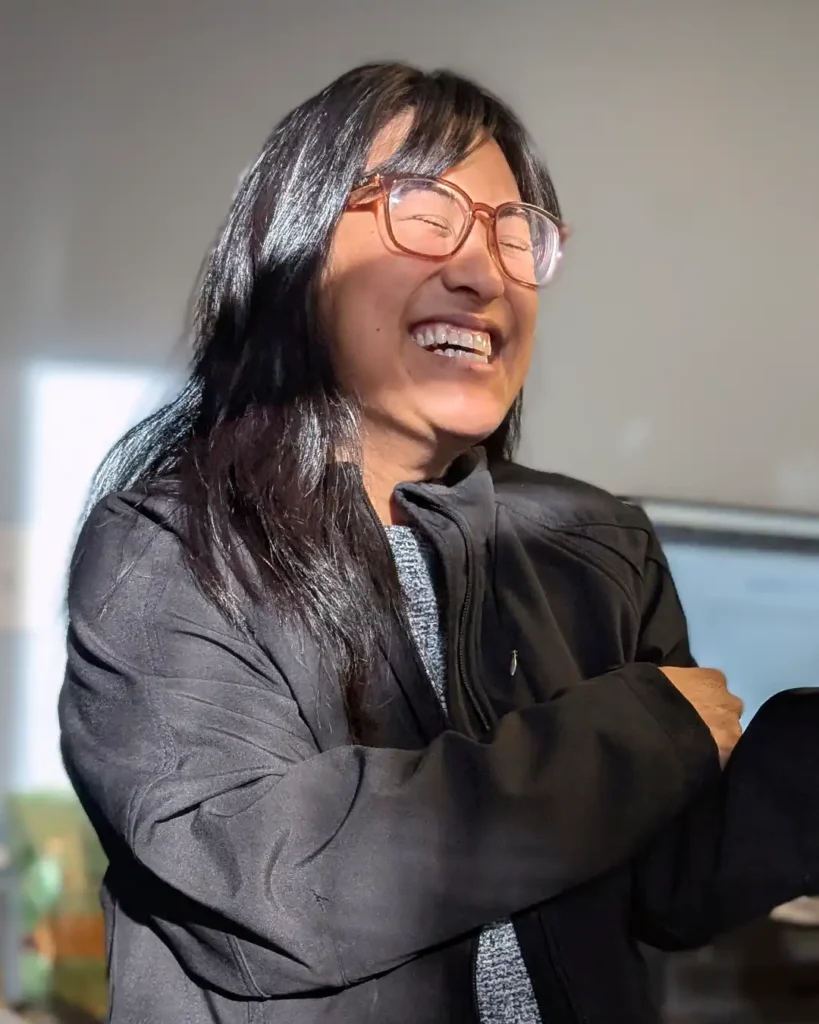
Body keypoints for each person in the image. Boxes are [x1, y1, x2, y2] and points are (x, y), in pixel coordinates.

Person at [58, 62, 819, 1024]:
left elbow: (661, 889)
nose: (482, 269)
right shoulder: (171, 550)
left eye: (515, 233)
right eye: (425, 210)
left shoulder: (598, 546)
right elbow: (269, 883)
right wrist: (643, 734)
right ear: (292, 253)